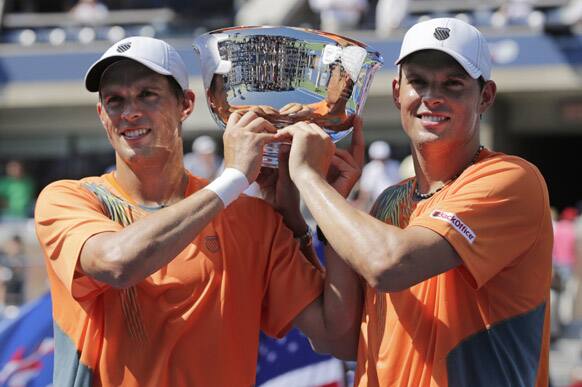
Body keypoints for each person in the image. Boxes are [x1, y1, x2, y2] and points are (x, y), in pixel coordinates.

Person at [34, 36, 359, 386]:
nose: (129, 112)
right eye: (115, 101)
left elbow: (337, 338)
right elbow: (117, 262)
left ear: (185, 105)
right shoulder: (69, 199)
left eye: (147, 95)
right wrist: (233, 179)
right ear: (102, 115)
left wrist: (330, 203)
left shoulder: (248, 216)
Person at [275, 17, 554, 386]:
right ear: (396, 93)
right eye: (418, 82)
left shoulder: (510, 179)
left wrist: (309, 179)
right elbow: (337, 336)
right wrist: (291, 208)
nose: (432, 96)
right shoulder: (390, 201)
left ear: (485, 97)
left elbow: (391, 265)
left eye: (453, 84)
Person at [356, 140, 401, 211]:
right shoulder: (369, 169)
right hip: (376, 205)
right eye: (379, 159)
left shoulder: (395, 166)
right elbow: (365, 193)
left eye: (383, 159)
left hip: (395, 204)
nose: (381, 162)